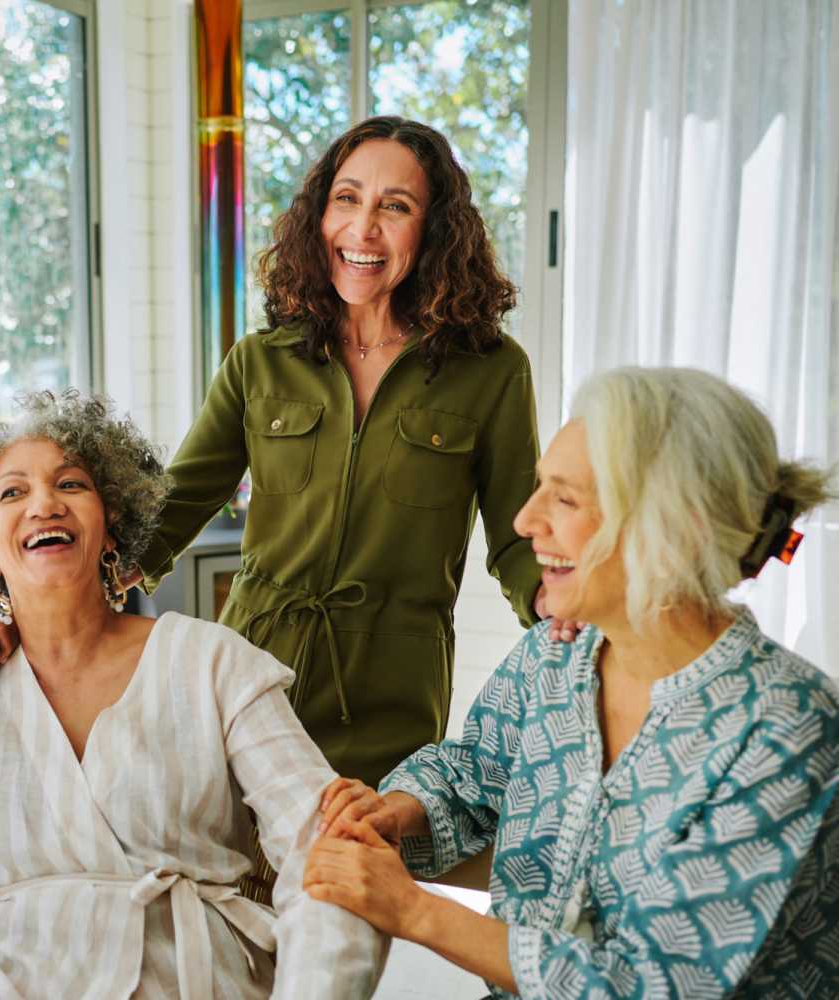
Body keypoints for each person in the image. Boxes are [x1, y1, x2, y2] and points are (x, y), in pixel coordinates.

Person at [304, 366, 839, 998]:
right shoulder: (552, 658)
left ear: (672, 525)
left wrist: (414, 911)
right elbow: (473, 772)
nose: (526, 522)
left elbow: (656, 984)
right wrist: (401, 812)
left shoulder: (787, 724)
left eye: (565, 499)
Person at [0, 391, 386, 999]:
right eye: (12, 492)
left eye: (71, 485)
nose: (44, 503)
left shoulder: (213, 664)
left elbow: (329, 848)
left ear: (112, 527)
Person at [135, 116, 570, 790]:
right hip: (248, 678)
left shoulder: (491, 370)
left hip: (390, 693)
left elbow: (519, 533)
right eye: (347, 199)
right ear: (319, 215)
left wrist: (554, 599)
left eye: (394, 207)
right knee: (234, 878)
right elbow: (172, 507)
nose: (363, 230)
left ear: (434, 230)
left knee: (352, 879)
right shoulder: (261, 361)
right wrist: (66, 584)